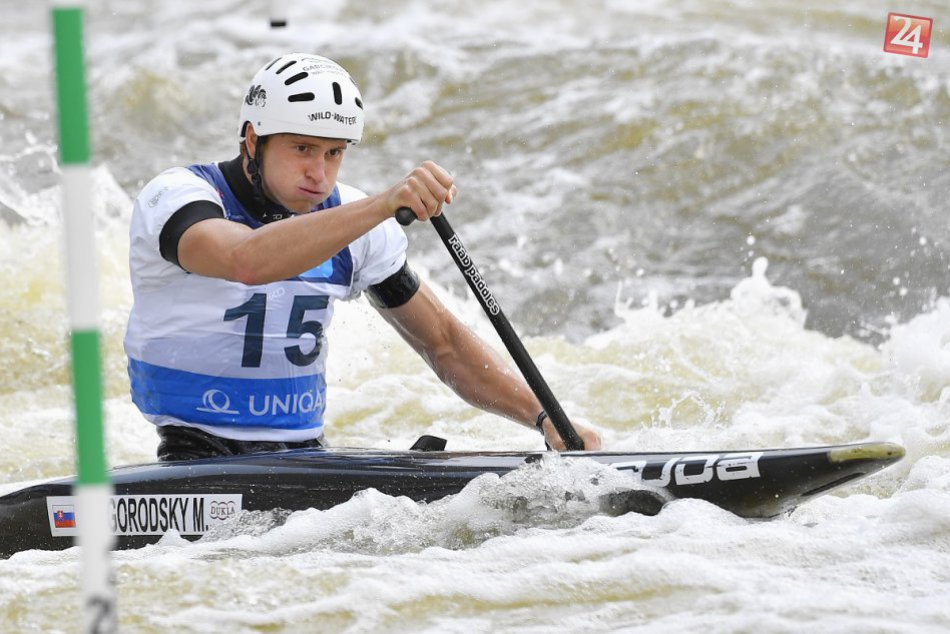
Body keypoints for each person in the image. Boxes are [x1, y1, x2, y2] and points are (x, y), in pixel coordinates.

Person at [123, 52, 601, 461]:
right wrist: (379, 207)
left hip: (304, 456)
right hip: (193, 454)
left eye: (334, 153)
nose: (319, 173)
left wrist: (543, 419)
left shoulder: (354, 222)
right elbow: (244, 261)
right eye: (302, 149)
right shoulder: (178, 197)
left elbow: (444, 344)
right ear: (253, 140)